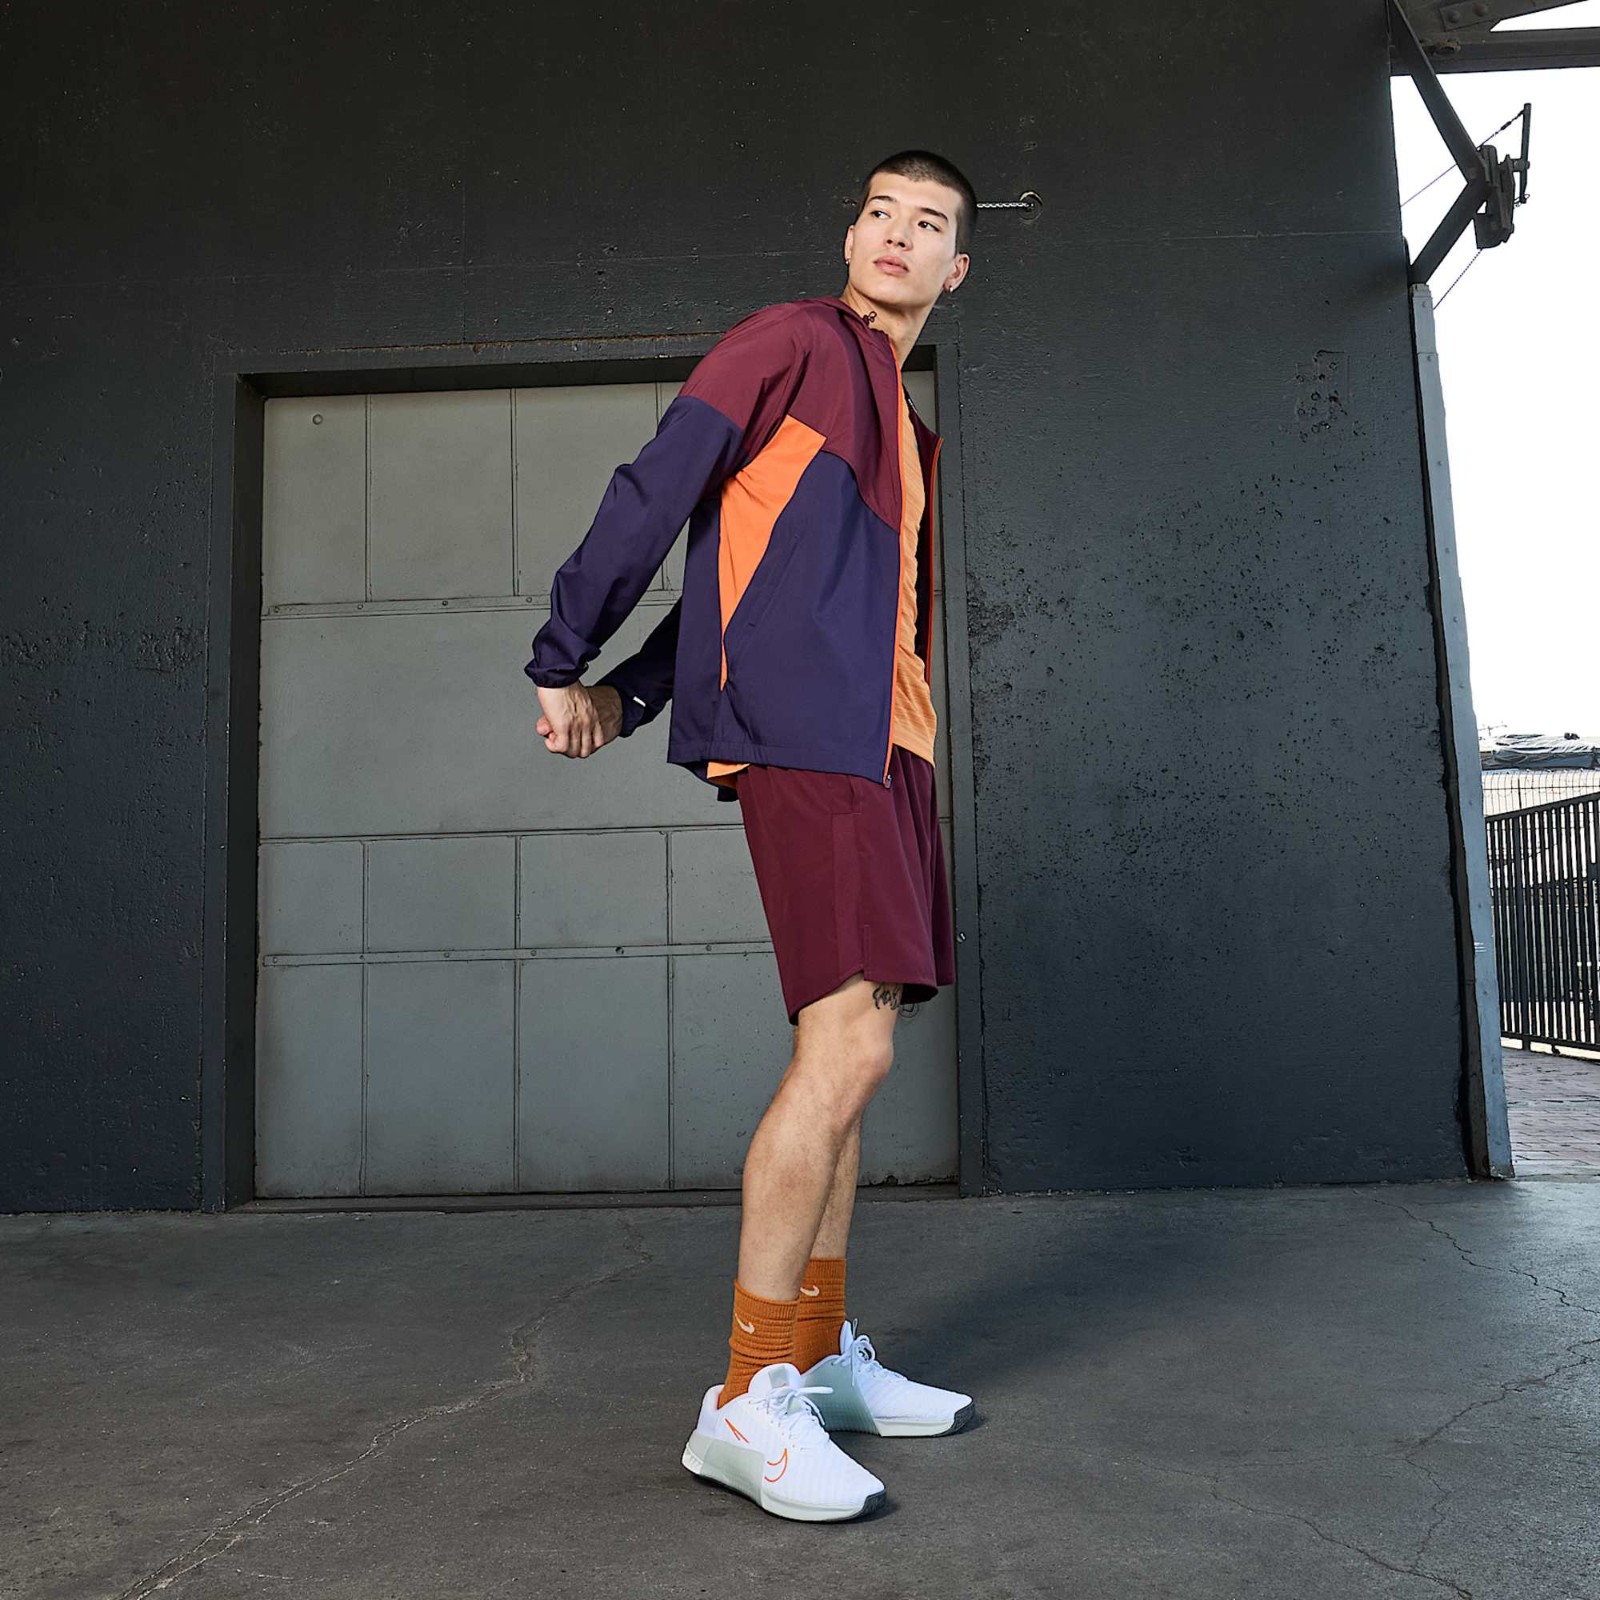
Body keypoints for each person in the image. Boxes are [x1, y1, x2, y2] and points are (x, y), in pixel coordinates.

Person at [525, 150, 975, 1522]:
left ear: (957, 269)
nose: (898, 235)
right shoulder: (791, 344)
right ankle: (744, 1395)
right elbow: (658, 490)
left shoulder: (905, 424)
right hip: (812, 741)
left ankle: (816, 1359)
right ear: (850, 232)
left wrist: (628, 694)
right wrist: (564, 654)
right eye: (881, 211)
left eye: (929, 225)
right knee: (850, 1049)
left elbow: (744, 577)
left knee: (850, 1061)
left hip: (891, 747)